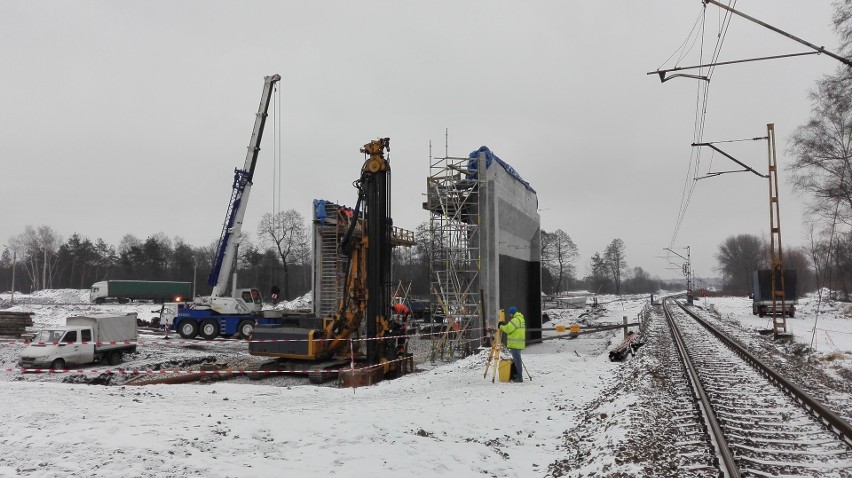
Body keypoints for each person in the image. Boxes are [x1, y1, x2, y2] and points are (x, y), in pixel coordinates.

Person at [499, 306, 526, 383]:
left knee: (517, 361)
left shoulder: (515, 320)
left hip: (515, 344)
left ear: (512, 313)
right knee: (518, 360)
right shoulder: (521, 319)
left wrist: (501, 326)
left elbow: (508, 329)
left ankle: (519, 378)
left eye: (510, 314)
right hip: (519, 344)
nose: (509, 315)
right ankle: (518, 376)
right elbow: (511, 327)